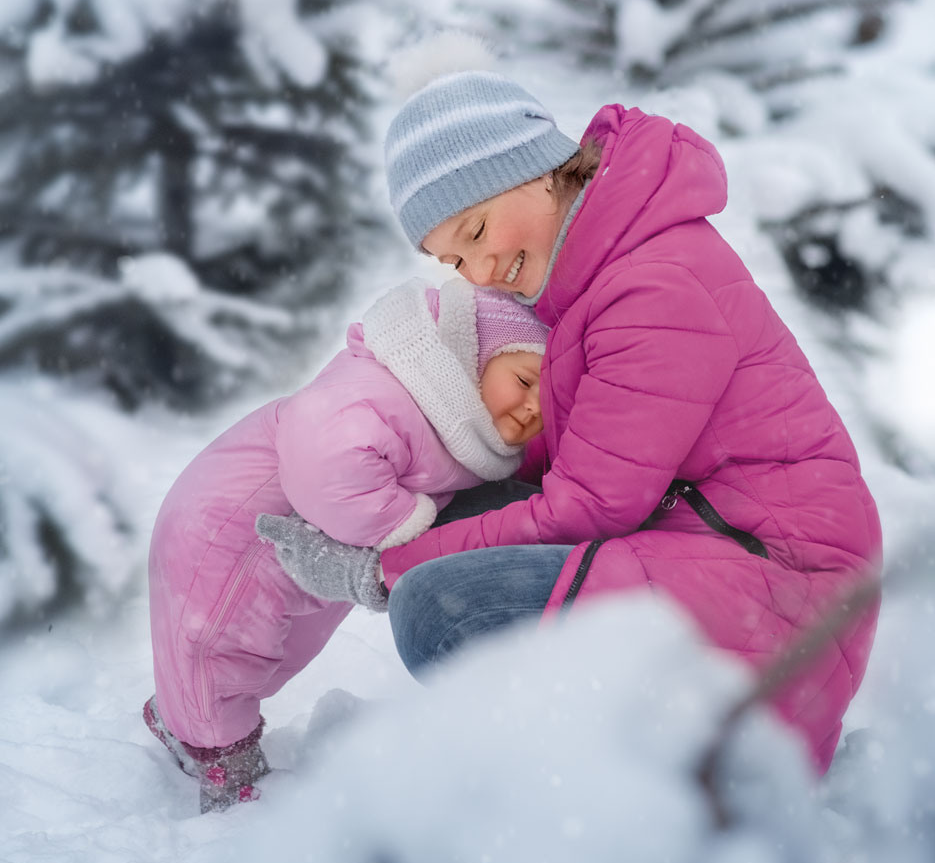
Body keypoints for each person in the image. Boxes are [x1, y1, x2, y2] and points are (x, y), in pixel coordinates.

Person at [259, 68, 882, 775]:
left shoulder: (651, 285)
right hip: (708, 540)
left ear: (540, 173)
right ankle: (568, 768)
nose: (481, 269)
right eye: (454, 259)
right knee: (466, 516)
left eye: (477, 230)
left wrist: (385, 569)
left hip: (783, 592)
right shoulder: (602, 272)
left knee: (442, 608)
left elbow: (589, 504)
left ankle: (600, 789)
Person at [143, 275, 547, 810]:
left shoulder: (458, 424)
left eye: (546, 403)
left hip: (303, 546)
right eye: (523, 380)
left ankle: (188, 721)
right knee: (217, 649)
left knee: (274, 654)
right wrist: (405, 524)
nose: (530, 408)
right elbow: (322, 450)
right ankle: (217, 761)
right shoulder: (395, 390)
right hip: (228, 535)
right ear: (472, 356)